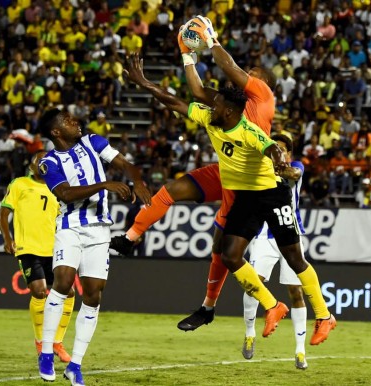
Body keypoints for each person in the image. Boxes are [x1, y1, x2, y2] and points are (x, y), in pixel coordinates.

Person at [125, 53, 335, 345]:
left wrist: (280, 162)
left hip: (271, 192)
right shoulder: (218, 115)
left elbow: (270, 146)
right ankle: (273, 306)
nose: (213, 107)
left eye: (253, 73)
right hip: (243, 192)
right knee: (229, 254)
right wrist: (148, 80)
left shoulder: (254, 115)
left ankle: (324, 316)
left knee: (293, 257)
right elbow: (182, 99)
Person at [110, 16, 278, 335]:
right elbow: (196, 89)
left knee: (220, 250)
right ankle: (130, 239)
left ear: (263, 83)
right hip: (225, 167)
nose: (244, 76)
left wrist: (211, 40)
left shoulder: (263, 98)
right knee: (172, 189)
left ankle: (208, 307)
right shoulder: (228, 106)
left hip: (245, 181)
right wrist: (187, 53)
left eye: (251, 75)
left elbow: (230, 70)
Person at [36, 109, 151, 385]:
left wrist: (136, 180)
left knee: (94, 295)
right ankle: (47, 352)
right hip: (70, 226)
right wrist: (105, 184)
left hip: (100, 229)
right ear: (56, 132)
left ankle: (75, 364)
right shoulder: (48, 162)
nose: (75, 121)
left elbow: (124, 163)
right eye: (67, 120)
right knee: (62, 281)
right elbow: (64, 193)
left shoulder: (92, 141)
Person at [0, 151, 74, 362]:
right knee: (39, 292)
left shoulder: (59, 189)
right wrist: (7, 238)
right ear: (31, 166)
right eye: (37, 160)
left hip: (54, 248)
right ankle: (41, 342)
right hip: (28, 248)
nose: (41, 164)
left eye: (45, 161)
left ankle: (57, 341)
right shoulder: (19, 184)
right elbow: (4, 213)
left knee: (69, 292)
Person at [242, 134, 309, 369]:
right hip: (264, 235)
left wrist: (277, 168)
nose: (277, 153)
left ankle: (300, 351)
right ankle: (249, 334)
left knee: (296, 292)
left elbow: (294, 174)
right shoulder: (261, 170)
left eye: (281, 150)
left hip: (292, 236)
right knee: (253, 284)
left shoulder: (296, 167)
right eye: (273, 149)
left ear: (288, 154)